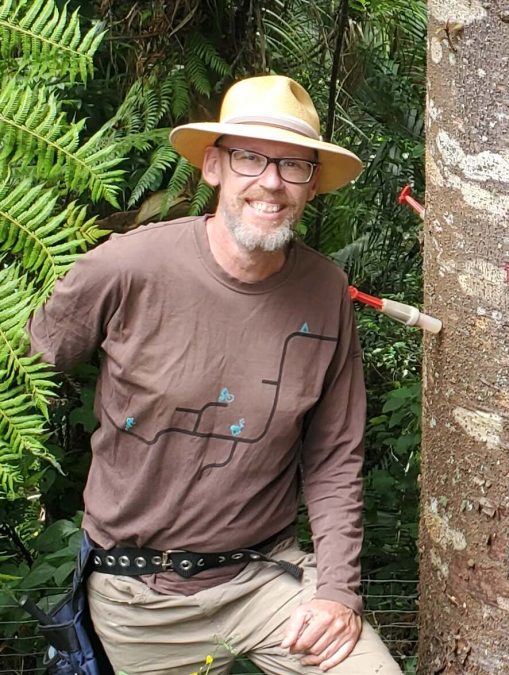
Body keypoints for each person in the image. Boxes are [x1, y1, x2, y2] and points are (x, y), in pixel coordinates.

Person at [27, 75, 403, 674]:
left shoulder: (325, 289)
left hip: (268, 582)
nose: (271, 182)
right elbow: (24, 371)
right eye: (250, 157)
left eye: (294, 166)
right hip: (138, 598)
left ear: (310, 186)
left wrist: (337, 591)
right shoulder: (127, 267)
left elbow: (334, 455)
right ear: (213, 167)